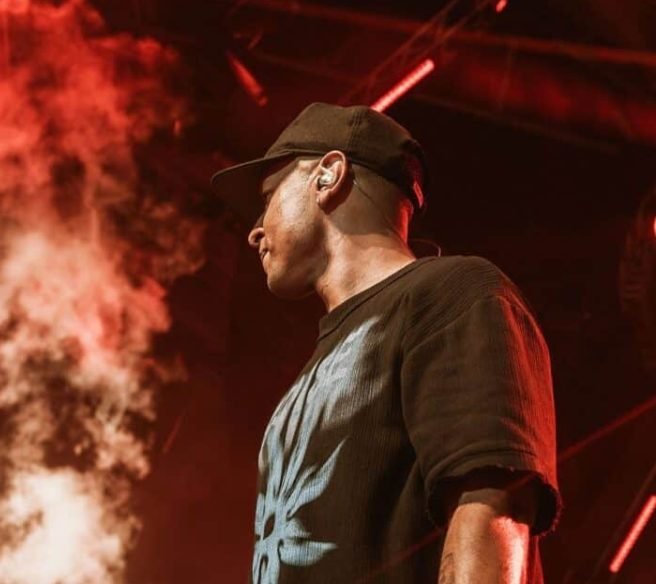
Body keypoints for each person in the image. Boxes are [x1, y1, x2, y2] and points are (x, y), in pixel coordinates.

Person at [211, 102, 561, 583]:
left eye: (269, 196)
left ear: (328, 176)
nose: (255, 231)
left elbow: (493, 505)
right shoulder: (309, 375)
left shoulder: (453, 295)